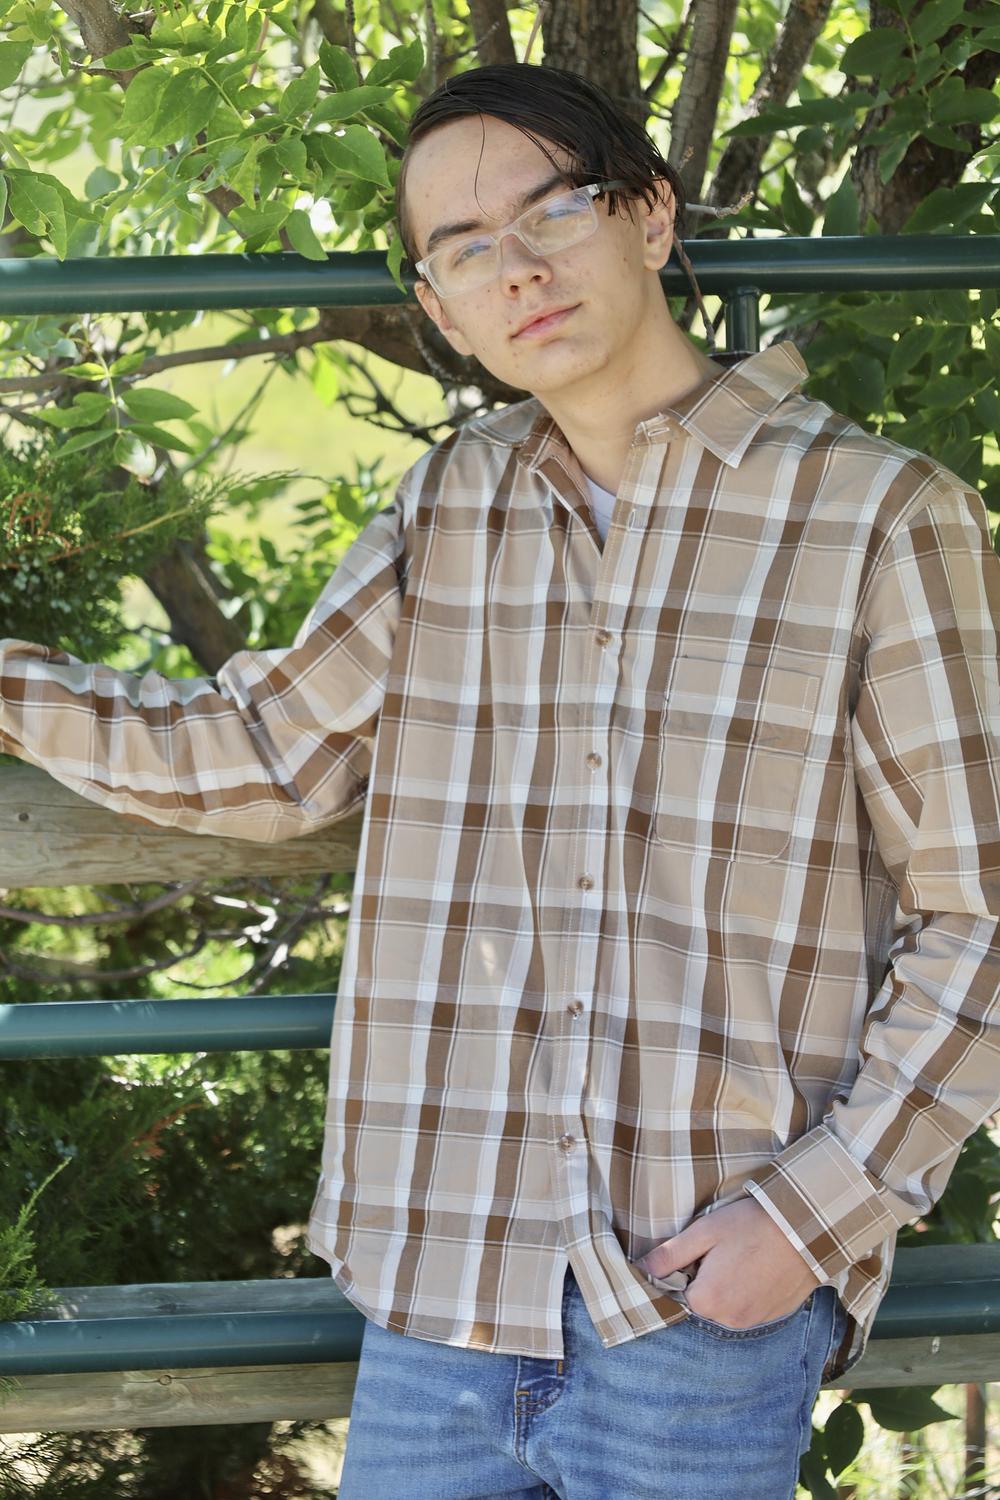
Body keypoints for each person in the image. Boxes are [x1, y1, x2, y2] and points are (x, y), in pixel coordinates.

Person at [0, 60, 997, 1500]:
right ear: (439, 306)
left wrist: (814, 1217)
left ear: (650, 216)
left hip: (698, 1297)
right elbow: (269, 752)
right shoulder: (448, 506)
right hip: (441, 1291)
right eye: (465, 249)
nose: (517, 268)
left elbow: (980, 911)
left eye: (553, 212)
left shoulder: (885, 520)